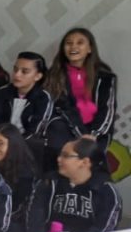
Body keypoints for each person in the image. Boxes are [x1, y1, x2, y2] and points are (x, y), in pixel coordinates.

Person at [26, 137, 122, 232]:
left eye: (66, 156)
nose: (58, 159)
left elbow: (104, 229)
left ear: (85, 162)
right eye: (60, 154)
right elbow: (34, 218)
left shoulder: (107, 192)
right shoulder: (48, 182)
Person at [44, 27, 117, 155]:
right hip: (63, 133)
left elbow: (107, 110)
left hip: (95, 136)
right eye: (69, 43)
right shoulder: (54, 75)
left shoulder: (105, 76)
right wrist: (80, 134)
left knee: (89, 169)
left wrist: (93, 135)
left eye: (80, 42)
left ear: (89, 49)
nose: (73, 47)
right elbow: (57, 108)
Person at [0, 124, 38, 232]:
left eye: (0, 143)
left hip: (12, 222)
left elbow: (17, 209)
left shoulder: (26, 173)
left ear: (13, 144)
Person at [0, 51, 52, 142]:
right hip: (0, 141)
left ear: (38, 76)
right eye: (15, 69)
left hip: (28, 144)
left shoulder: (43, 97)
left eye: (24, 71)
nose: (17, 74)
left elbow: (36, 130)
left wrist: (16, 144)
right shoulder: (3, 92)